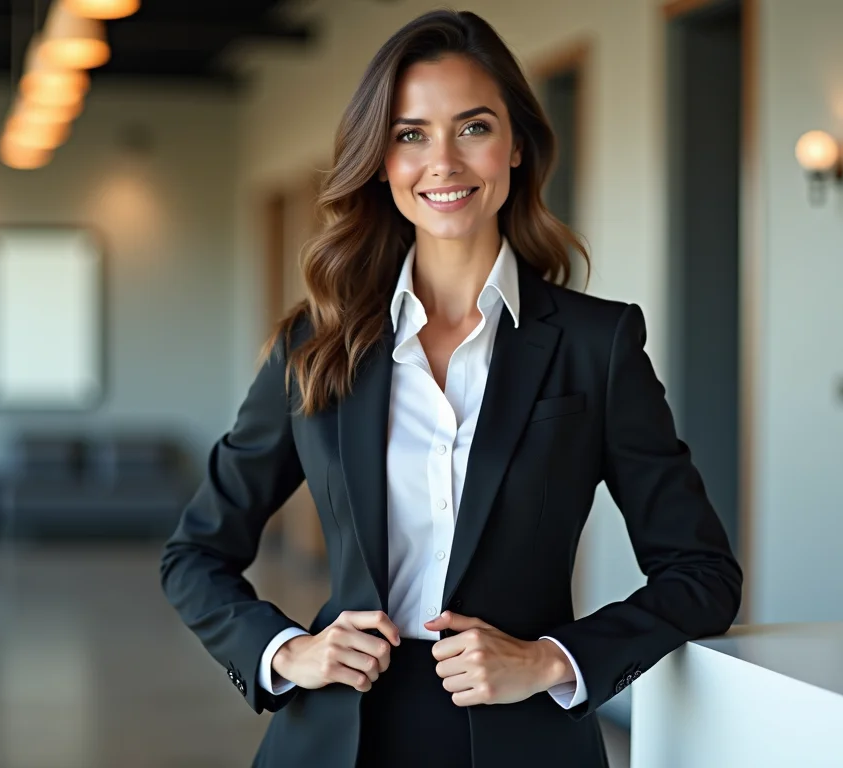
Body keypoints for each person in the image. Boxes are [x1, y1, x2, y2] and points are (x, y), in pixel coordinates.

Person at [160, 9, 742, 768]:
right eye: (410, 134)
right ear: (380, 160)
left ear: (517, 146)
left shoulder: (598, 345)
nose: (444, 161)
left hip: (524, 739)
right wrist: (286, 651)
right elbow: (195, 552)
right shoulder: (317, 343)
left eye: (473, 127)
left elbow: (702, 573)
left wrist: (550, 660)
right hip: (334, 742)